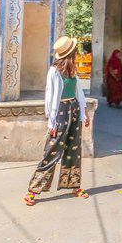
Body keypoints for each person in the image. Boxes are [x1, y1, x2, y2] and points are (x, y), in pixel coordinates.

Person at [24, 36, 90, 206]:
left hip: (73, 109)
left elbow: (78, 91)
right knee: (52, 150)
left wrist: (84, 112)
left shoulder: (72, 70)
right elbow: (50, 97)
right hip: (60, 112)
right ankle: (33, 190)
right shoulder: (54, 71)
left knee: (74, 148)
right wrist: (51, 122)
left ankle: (75, 185)